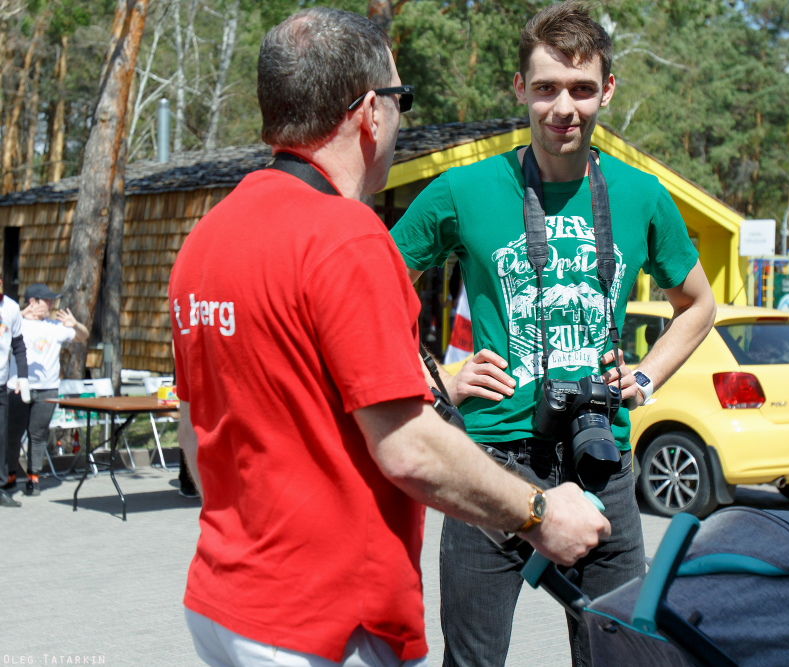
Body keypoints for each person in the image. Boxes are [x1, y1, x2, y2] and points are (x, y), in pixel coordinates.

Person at [168, 8, 608, 667]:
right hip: (322, 625)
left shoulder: (206, 238)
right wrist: (543, 514)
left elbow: (194, 434)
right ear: (371, 113)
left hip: (221, 606)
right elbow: (409, 450)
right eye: (402, 101)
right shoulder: (345, 236)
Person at [390, 3, 717, 665]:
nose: (562, 107)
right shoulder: (465, 189)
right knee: (474, 660)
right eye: (545, 88)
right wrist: (438, 378)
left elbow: (698, 305)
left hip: (601, 459)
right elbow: (368, 286)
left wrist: (648, 375)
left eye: (580, 88)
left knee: (623, 655)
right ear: (519, 89)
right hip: (489, 465)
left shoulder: (641, 195)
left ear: (607, 90)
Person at [6, 283, 88, 496]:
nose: (52, 304)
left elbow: (83, 336)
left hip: (47, 389)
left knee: (38, 434)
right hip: (17, 386)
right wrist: (20, 313)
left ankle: (34, 477)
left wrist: (76, 324)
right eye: (47, 301)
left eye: (52, 300)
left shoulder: (54, 326)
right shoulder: (17, 323)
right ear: (33, 302)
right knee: (12, 434)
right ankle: (9, 474)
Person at [0, 274, 30, 508]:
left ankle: (1, 489)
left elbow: (18, 346)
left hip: (1, 383)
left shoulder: (11, 307)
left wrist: (22, 376)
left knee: (1, 437)